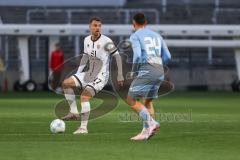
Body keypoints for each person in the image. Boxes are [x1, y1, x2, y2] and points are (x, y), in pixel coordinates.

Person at [61, 17, 124, 134]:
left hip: (101, 76)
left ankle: (83, 128)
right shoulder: (86, 40)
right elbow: (85, 57)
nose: (98, 28)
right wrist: (78, 73)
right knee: (66, 83)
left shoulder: (106, 41)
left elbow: (117, 55)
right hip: (89, 73)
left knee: (84, 97)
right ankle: (73, 112)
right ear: (90, 27)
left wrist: (120, 74)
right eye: (95, 25)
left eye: (99, 26)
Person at [126, 13, 171, 140]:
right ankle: (146, 132)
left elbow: (138, 56)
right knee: (148, 101)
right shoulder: (157, 35)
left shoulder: (135, 36)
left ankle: (152, 123)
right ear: (146, 23)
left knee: (131, 99)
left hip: (147, 69)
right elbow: (168, 56)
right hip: (159, 69)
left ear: (134, 23)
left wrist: (134, 72)